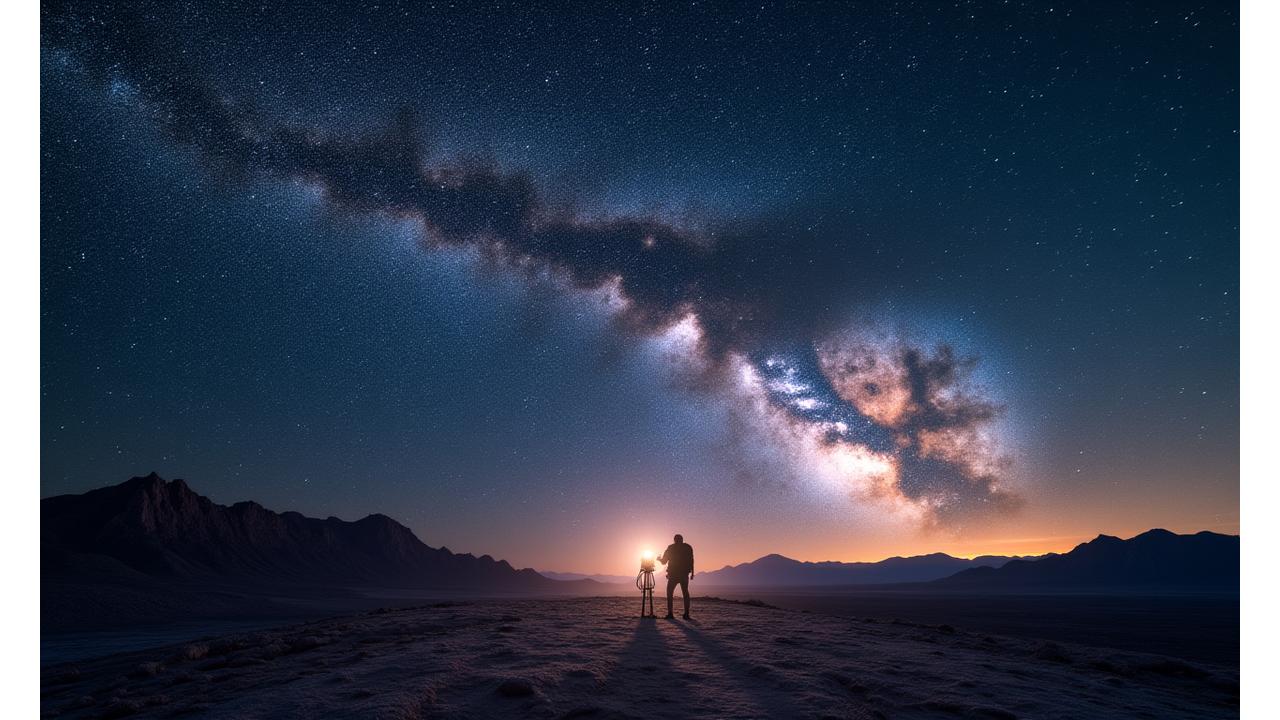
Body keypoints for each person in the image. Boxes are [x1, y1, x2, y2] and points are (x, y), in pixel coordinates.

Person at [658, 533, 695, 619]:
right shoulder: (688, 547)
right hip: (684, 574)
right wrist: (692, 573)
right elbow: (692, 560)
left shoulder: (671, 548)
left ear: (674, 540)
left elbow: (664, 562)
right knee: (685, 593)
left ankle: (670, 614)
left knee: (670, 593)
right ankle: (686, 614)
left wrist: (659, 559)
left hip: (673, 574)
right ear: (682, 539)